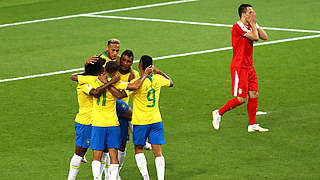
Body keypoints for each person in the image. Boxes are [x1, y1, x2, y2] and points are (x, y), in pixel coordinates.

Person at [90, 61, 152, 180]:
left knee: (97, 155)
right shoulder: (117, 82)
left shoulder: (93, 80)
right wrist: (144, 75)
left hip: (97, 123)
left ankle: (96, 177)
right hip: (112, 124)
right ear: (116, 72)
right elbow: (132, 88)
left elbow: (78, 79)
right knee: (114, 156)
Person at [212, 4, 269, 132]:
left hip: (249, 66)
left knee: (254, 93)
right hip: (239, 67)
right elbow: (255, 38)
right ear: (244, 14)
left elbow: (264, 37)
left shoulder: (251, 25)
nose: (253, 14)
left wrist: (255, 24)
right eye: (251, 12)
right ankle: (218, 113)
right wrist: (254, 25)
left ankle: (252, 124)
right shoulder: (238, 26)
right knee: (241, 98)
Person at [67, 58, 122, 180]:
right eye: (102, 67)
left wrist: (87, 68)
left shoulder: (94, 78)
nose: (104, 69)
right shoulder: (87, 81)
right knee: (79, 153)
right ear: (98, 70)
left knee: (103, 152)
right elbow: (94, 91)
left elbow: (73, 76)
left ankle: (103, 177)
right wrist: (109, 82)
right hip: (86, 122)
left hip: (99, 122)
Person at [131, 55, 173, 180]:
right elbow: (171, 82)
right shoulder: (158, 79)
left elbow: (130, 89)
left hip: (140, 121)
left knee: (139, 149)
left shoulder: (137, 82)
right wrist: (159, 72)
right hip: (156, 120)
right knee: (158, 153)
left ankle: (146, 178)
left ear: (140, 66)